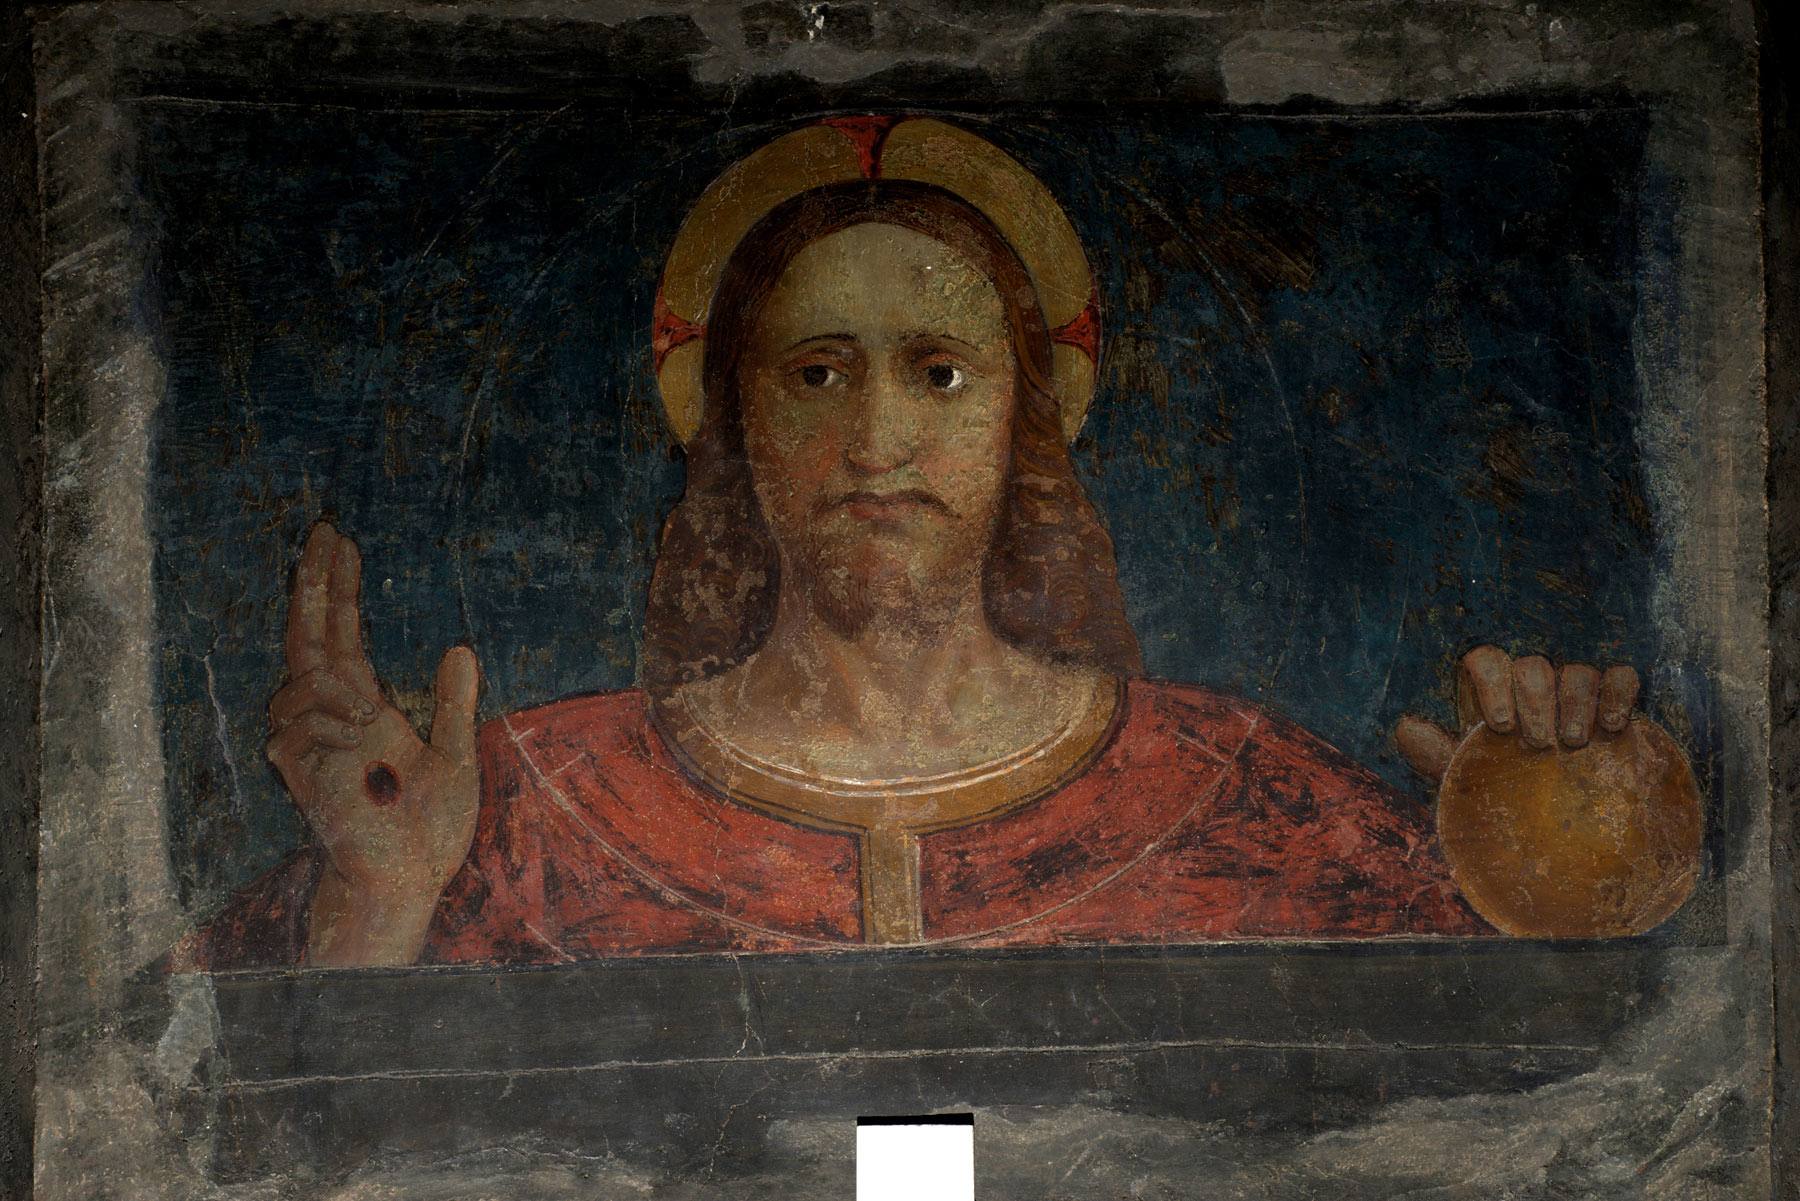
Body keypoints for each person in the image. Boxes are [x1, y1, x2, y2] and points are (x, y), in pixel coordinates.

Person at [188, 119, 1646, 969]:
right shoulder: (505, 814)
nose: (875, 436)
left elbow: (1568, 1099)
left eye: (939, 371)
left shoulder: (1258, 797)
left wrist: (1571, 835)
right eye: (817, 372)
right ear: (737, 430)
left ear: (1025, 423)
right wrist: (373, 905)